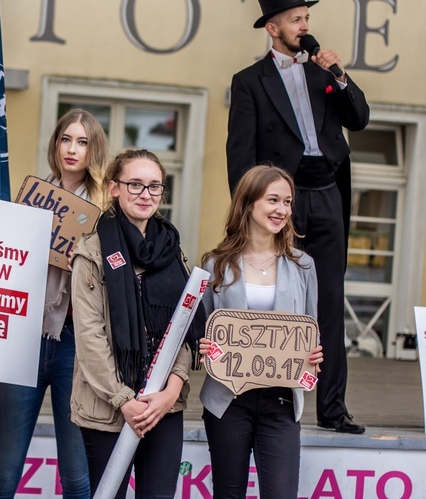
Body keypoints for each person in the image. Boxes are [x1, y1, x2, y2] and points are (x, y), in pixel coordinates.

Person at [226, 0, 369, 434]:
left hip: (326, 192)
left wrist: (340, 76)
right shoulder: (249, 81)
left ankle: (333, 407)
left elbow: (359, 119)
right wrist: (247, 212)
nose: (305, 27)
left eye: (307, 19)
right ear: (273, 28)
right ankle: (267, 397)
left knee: (328, 299)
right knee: (276, 298)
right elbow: (241, 156)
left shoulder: (323, 72)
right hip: (279, 201)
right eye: (296, 20)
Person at [0, 109, 107, 499]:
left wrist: (84, 263)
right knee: (2, 474)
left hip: (79, 345)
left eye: (82, 141)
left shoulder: (108, 208)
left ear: (94, 150)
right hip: (25, 337)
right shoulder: (31, 198)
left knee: (77, 476)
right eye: (65, 139)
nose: (72, 149)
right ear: (55, 144)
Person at [70, 148, 202, 498]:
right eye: (135, 184)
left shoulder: (172, 250)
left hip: (164, 406)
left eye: (154, 186)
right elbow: (89, 336)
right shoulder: (93, 252)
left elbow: (184, 328)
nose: (146, 195)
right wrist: (124, 400)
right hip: (109, 406)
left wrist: (172, 389)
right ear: (114, 188)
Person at [199, 165, 324, 498]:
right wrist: (205, 347)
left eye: (287, 201)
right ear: (248, 203)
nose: (281, 209)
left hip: (281, 400)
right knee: (228, 494)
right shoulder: (216, 264)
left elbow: (310, 330)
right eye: (273, 200)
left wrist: (314, 357)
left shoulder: (303, 265)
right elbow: (207, 326)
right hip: (228, 400)